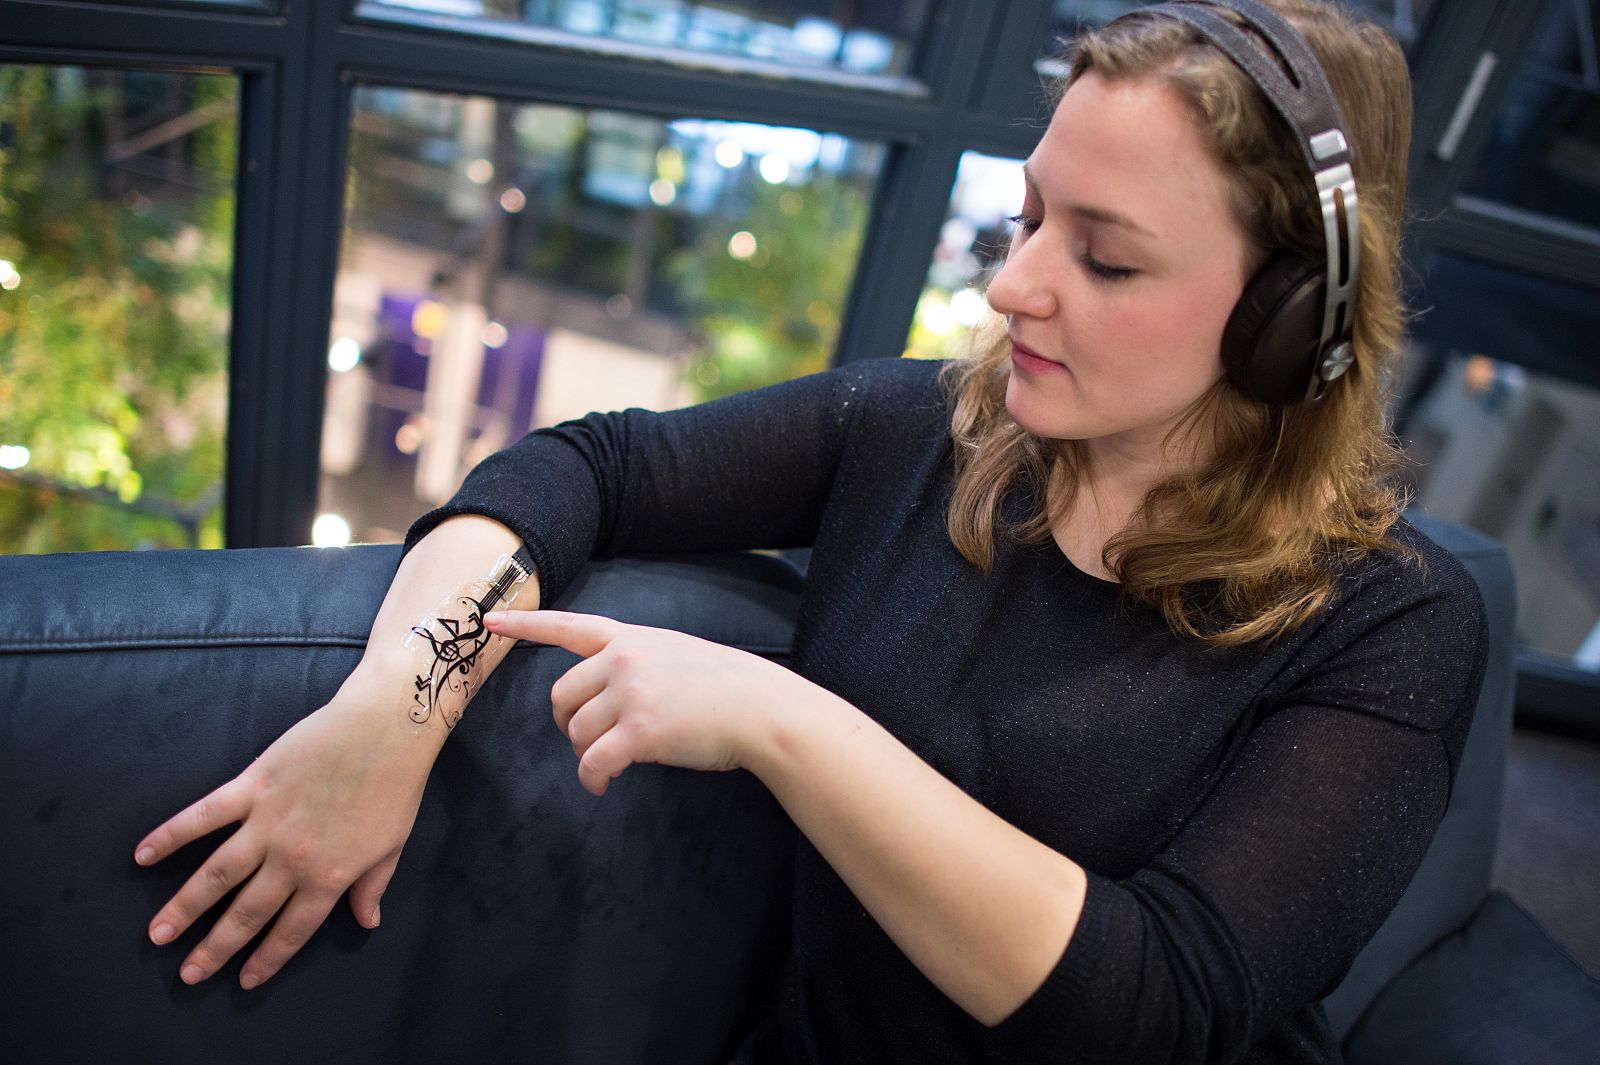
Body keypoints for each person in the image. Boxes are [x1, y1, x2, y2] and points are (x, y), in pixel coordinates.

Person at [132, 2, 1488, 1062]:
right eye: (1024, 217)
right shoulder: (918, 432)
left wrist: (781, 720)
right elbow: (582, 465)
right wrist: (393, 711)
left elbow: (1147, 1001)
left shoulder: (1394, 622)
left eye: (1106, 255)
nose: (1013, 285)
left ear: (1288, 318)